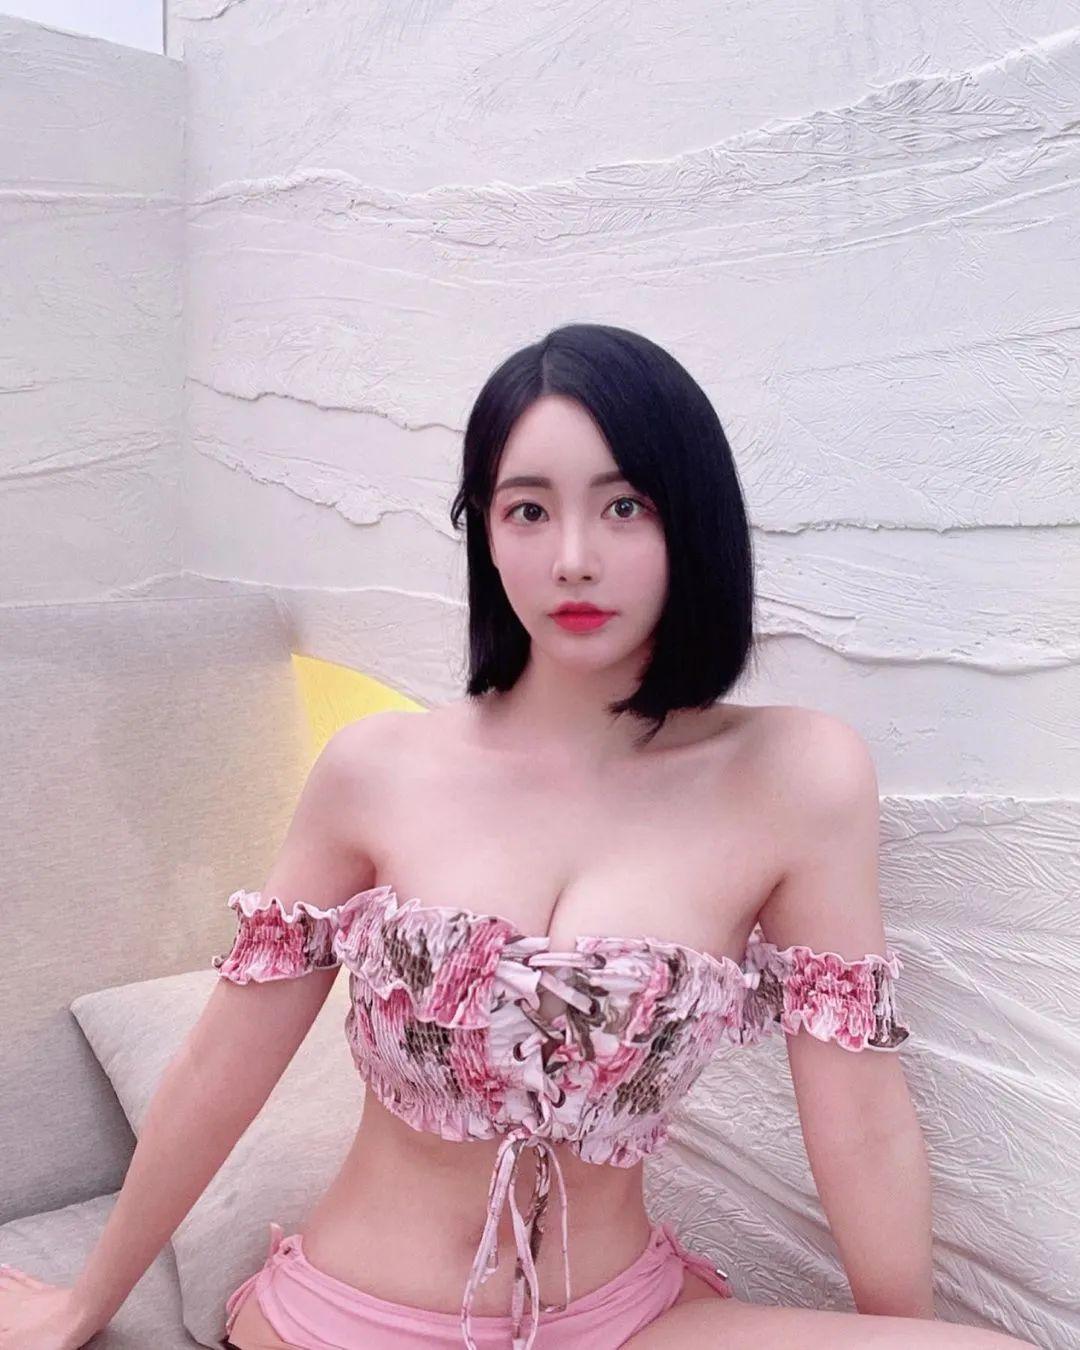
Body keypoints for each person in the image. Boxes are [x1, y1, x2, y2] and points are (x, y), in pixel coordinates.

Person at [0, 324, 1035, 1350]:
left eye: (624, 506)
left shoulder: (797, 777)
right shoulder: (378, 768)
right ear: (486, 535)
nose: (574, 560)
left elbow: (860, 1120)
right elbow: (225, 1059)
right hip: (356, 1321)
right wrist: (86, 1302)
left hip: (624, 1321)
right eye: (528, 509)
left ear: (694, 520)